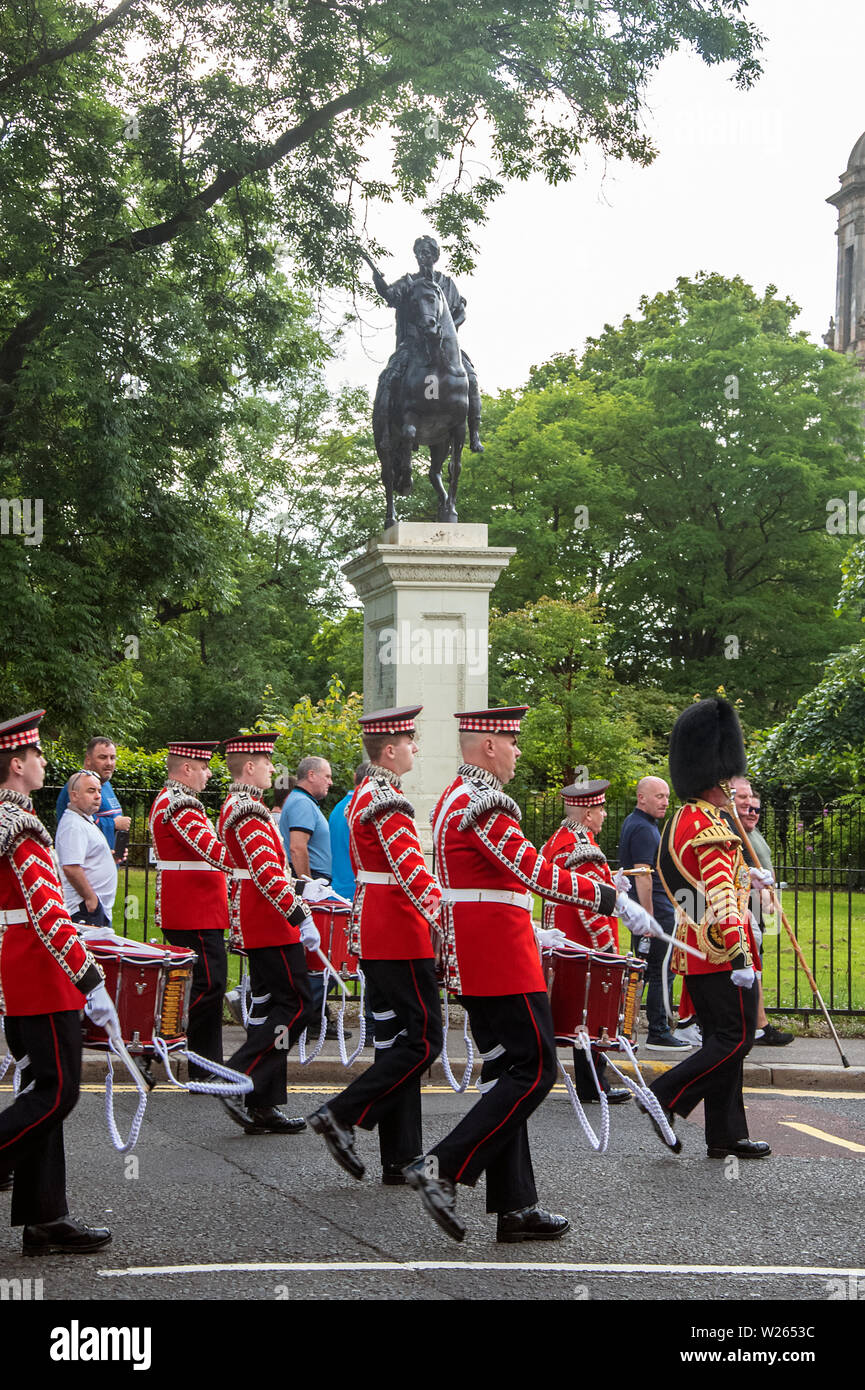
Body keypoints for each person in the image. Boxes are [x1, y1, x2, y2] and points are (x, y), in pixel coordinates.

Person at [404, 706, 661, 1244]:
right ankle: (442, 1168)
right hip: (499, 958)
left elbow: (493, 881)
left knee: (505, 1075)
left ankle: (516, 1207)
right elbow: (535, 872)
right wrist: (612, 899)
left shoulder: (456, 796)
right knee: (536, 1069)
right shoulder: (486, 802)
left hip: (482, 950)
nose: (519, 751)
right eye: (513, 742)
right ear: (490, 745)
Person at [0, 710, 120, 1254]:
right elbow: (48, 913)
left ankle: (45, 1217)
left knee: (40, 1090)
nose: (46, 761)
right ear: (17, 765)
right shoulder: (20, 827)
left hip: (25, 973)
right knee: (57, 1093)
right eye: (39, 755)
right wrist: (91, 981)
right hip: (37, 978)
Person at [309, 709, 442, 1184]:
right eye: (410, 740)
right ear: (390, 749)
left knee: (395, 1044)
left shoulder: (367, 794)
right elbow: (411, 872)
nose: (415, 748)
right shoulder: (386, 800)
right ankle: (340, 1114)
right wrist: (449, 918)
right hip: (398, 935)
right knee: (426, 1040)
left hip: (376, 931)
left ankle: (400, 1156)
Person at [644, 697, 771, 1161]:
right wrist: (741, 954)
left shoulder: (680, 820)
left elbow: (691, 891)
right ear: (717, 777)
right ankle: (666, 1095)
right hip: (722, 951)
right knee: (735, 1038)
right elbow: (718, 898)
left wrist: (748, 878)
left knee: (724, 1038)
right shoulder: (711, 825)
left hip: (694, 949)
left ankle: (726, 1133)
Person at [217, 732, 317, 1135]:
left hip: (265, 917)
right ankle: (238, 1073)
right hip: (270, 921)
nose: (273, 769)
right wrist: (299, 913)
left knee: (272, 1009)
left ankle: (262, 1102)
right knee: (298, 1004)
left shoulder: (243, 806)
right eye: (267, 762)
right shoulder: (247, 810)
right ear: (249, 766)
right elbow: (267, 872)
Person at [541, 780, 630, 1104]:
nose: (605, 815)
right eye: (601, 809)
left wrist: (611, 883)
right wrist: (607, 949)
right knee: (591, 1016)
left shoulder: (558, 840)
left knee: (566, 1015)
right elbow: (589, 906)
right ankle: (595, 1085)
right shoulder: (584, 848)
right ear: (589, 812)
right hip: (584, 945)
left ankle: (590, 1084)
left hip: (560, 942)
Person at [149, 741, 232, 1079]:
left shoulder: (179, 802)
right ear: (187, 769)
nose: (208, 774)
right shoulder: (179, 805)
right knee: (208, 985)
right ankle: (171, 1042)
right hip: (193, 909)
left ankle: (205, 1063)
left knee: (208, 985)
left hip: (198, 908)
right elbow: (212, 851)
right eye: (204, 767)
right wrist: (252, 862)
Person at [367, 235, 483, 453]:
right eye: (419, 252)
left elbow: (460, 313)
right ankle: (386, 426)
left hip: (445, 348)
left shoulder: (447, 284)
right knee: (389, 377)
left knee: (472, 378)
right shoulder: (409, 283)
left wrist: (447, 332)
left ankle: (474, 433)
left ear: (435, 256)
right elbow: (389, 295)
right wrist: (377, 280)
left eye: (427, 252)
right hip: (413, 345)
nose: (423, 256)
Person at [618, 776, 690, 1053]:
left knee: (641, 971)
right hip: (655, 910)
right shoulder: (645, 830)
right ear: (642, 798)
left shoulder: (635, 823)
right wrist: (648, 917)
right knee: (662, 972)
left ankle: (625, 1031)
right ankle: (658, 1032)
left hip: (647, 909)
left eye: (666, 796)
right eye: (658, 796)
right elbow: (643, 875)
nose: (665, 802)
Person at [728, 776, 793, 1048]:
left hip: (759, 908)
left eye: (756, 808)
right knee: (751, 966)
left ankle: (756, 1023)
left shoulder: (755, 835)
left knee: (757, 965)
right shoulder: (736, 834)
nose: (751, 812)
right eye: (746, 805)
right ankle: (758, 1024)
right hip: (744, 908)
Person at [56, 770, 118, 927]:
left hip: (94, 908)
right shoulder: (73, 825)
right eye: (91, 791)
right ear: (74, 795)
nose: (98, 796)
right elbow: (71, 867)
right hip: (85, 910)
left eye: (99, 791)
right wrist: (91, 900)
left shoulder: (84, 820)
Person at [55, 736, 130, 858]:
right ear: (88, 760)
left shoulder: (105, 785)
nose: (109, 763)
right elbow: (79, 825)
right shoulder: (77, 787)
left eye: (112, 757)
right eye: (102, 757)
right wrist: (114, 824)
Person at [328, 762, 368, 902]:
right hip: (358, 894)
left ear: (355, 777)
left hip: (338, 891)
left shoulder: (338, 808)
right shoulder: (365, 809)